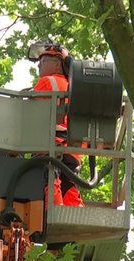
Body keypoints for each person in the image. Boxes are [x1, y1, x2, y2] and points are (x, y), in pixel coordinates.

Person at [30, 41, 85, 207]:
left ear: (57, 64)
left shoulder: (47, 82)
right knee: (70, 187)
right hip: (72, 151)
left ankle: (54, 212)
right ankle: (75, 216)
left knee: (50, 181)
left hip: (49, 147)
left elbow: (28, 114)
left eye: (43, 61)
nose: (39, 66)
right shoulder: (76, 87)